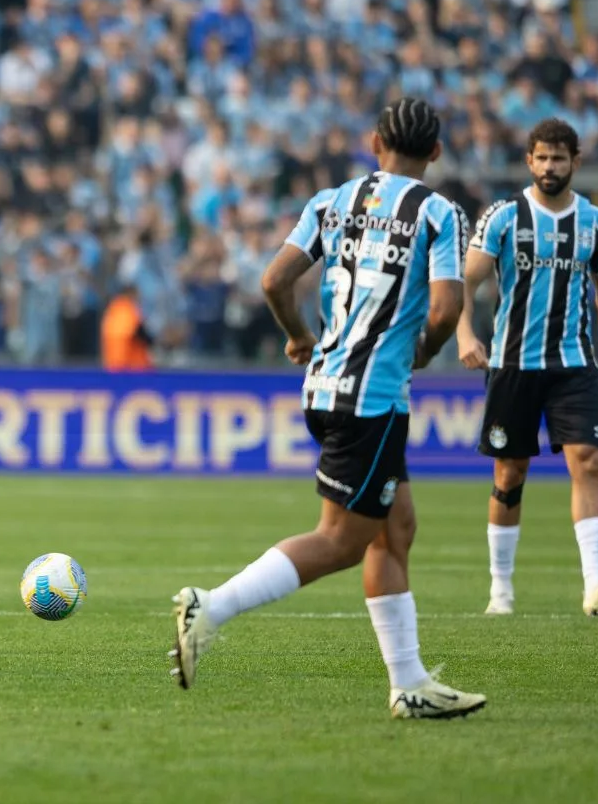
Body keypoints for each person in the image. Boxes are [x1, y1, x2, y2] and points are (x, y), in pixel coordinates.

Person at [170, 98, 487, 719]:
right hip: (372, 400)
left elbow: (272, 280)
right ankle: (211, 606)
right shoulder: (438, 213)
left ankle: (409, 684)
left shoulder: (331, 201)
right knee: (342, 540)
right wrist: (422, 351)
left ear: (375, 143)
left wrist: (296, 335)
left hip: (324, 386)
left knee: (394, 530)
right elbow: (448, 310)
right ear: (437, 153)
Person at [456, 118, 598, 618]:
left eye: (558, 158)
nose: (549, 167)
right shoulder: (502, 216)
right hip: (512, 362)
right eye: (541, 158)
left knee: (589, 461)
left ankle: (597, 583)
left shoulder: (595, 223)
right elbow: (463, 282)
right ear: (529, 161)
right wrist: (464, 332)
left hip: (574, 364)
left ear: (575, 163)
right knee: (510, 471)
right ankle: (501, 592)